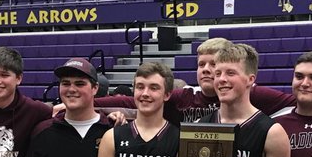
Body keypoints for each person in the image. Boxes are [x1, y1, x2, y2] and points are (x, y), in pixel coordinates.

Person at [97, 36, 296, 125]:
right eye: (201, 65)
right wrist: (89, 104)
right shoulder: (184, 96)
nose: (207, 70)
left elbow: (297, 104)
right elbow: (131, 102)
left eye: (213, 65)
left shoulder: (251, 95)